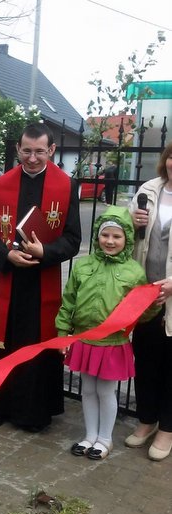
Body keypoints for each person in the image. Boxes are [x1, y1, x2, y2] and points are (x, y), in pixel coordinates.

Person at [0, 122, 81, 432]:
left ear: (51, 150)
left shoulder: (66, 186)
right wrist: (6, 254)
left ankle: (32, 412)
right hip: (7, 278)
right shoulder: (1, 184)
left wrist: (43, 251)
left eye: (39, 151)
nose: (32, 158)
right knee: (0, 345)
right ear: (18, 149)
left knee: (34, 347)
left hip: (40, 280)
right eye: (26, 151)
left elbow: (73, 239)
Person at [56, 206, 157, 460]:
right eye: (105, 235)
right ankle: (90, 436)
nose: (110, 241)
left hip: (112, 343)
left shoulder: (134, 272)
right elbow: (68, 300)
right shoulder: (83, 266)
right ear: (97, 237)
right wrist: (62, 332)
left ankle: (105, 439)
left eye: (117, 236)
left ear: (127, 239)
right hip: (85, 339)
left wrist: (152, 305)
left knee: (105, 391)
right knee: (87, 390)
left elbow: (140, 312)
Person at [126, 141, 172, 461]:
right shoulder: (149, 189)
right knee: (145, 359)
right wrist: (133, 222)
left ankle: (167, 429)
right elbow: (121, 234)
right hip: (145, 293)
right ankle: (146, 421)